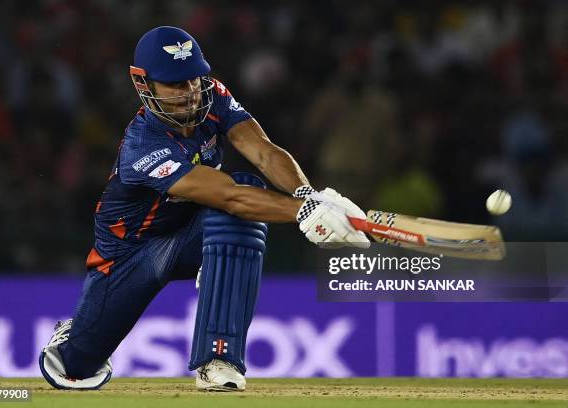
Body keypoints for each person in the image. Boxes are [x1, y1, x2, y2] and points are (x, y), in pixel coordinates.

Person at [38, 26, 370, 392]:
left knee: (244, 204)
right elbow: (228, 196)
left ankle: (219, 359)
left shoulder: (215, 100)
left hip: (192, 232)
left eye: (195, 79)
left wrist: (310, 195)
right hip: (129, 254)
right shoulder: (142, 146)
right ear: (144, 85)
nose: (190, 92)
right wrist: (303, 213)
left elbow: (261, 150)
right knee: (76, 369)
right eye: (175, 84)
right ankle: (77, 334)